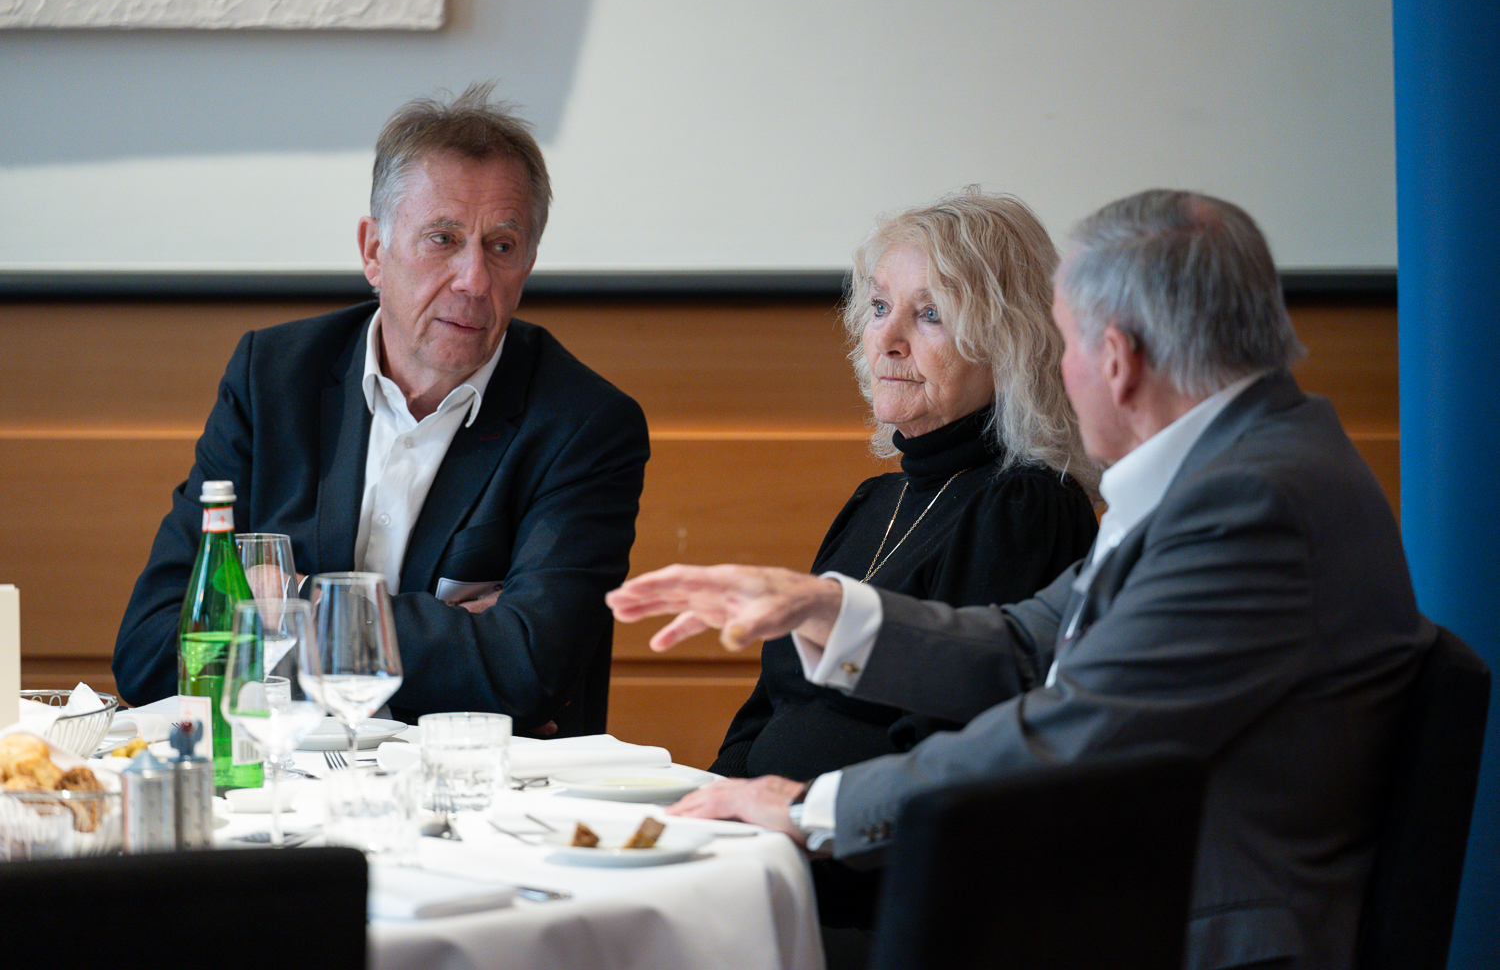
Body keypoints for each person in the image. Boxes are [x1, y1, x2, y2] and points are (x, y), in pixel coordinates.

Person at [607, 189, 1431, 970]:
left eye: (1063, 342)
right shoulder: (1243, 467)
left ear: (1116, 360)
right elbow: (1030, 642)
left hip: (1176, 937)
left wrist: (805, 811)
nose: (1054, 369)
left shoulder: (1250, 504)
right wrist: (827, 605)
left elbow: (1070, 739)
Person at [115, 82, 650, 736]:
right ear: (373, 252)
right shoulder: (273, 379)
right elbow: (150, 649)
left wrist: (287, 603)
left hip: (471, 785)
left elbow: (527, 671)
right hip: (281, 772)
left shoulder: (584, 425)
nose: (473, 280)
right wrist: (455, 635)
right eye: (443, 239)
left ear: (529, 264)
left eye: (502, 247)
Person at [711, 190, 1099, 938]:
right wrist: (705, 814)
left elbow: (955, 754)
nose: (886, 339)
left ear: (1009, 342)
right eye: (880, 307)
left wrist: (781, 835)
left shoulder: (1025, 504)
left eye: (930, 315)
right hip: (774, 861)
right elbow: (771, 704)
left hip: (877, 893)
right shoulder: (873, 501)